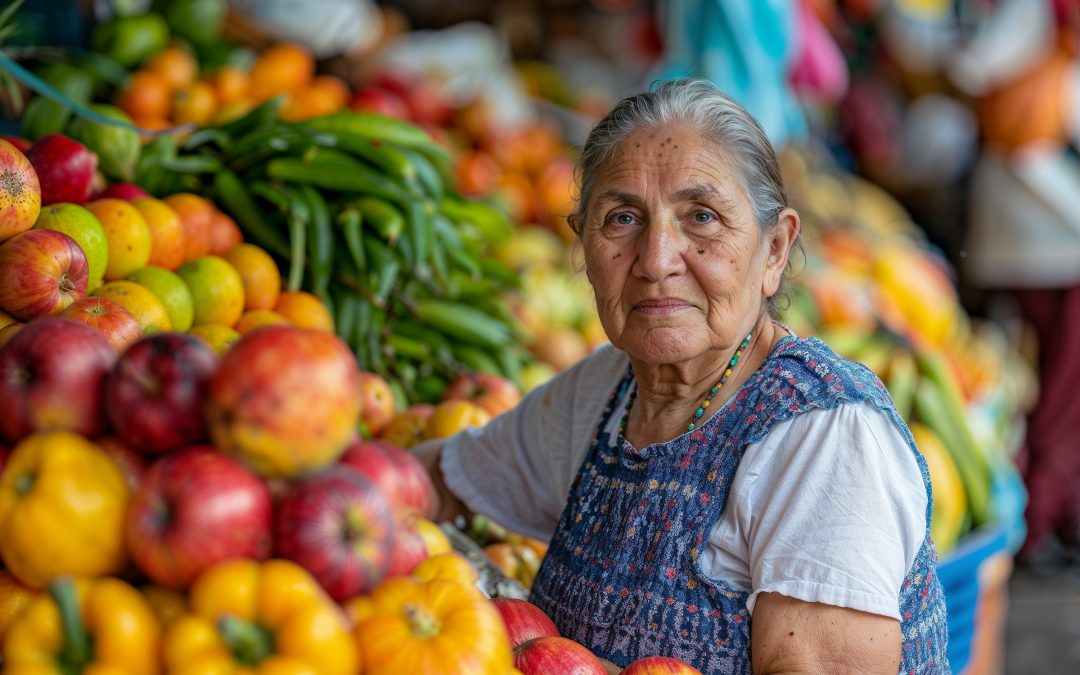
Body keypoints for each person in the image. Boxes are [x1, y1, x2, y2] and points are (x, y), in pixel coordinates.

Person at [416, 78, 949, 674]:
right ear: (583, 247)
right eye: (622, 218)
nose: (656, 258)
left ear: (774, 249)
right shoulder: (606, 394)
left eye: (702, 217)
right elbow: (441, 479)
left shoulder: (824, 439)